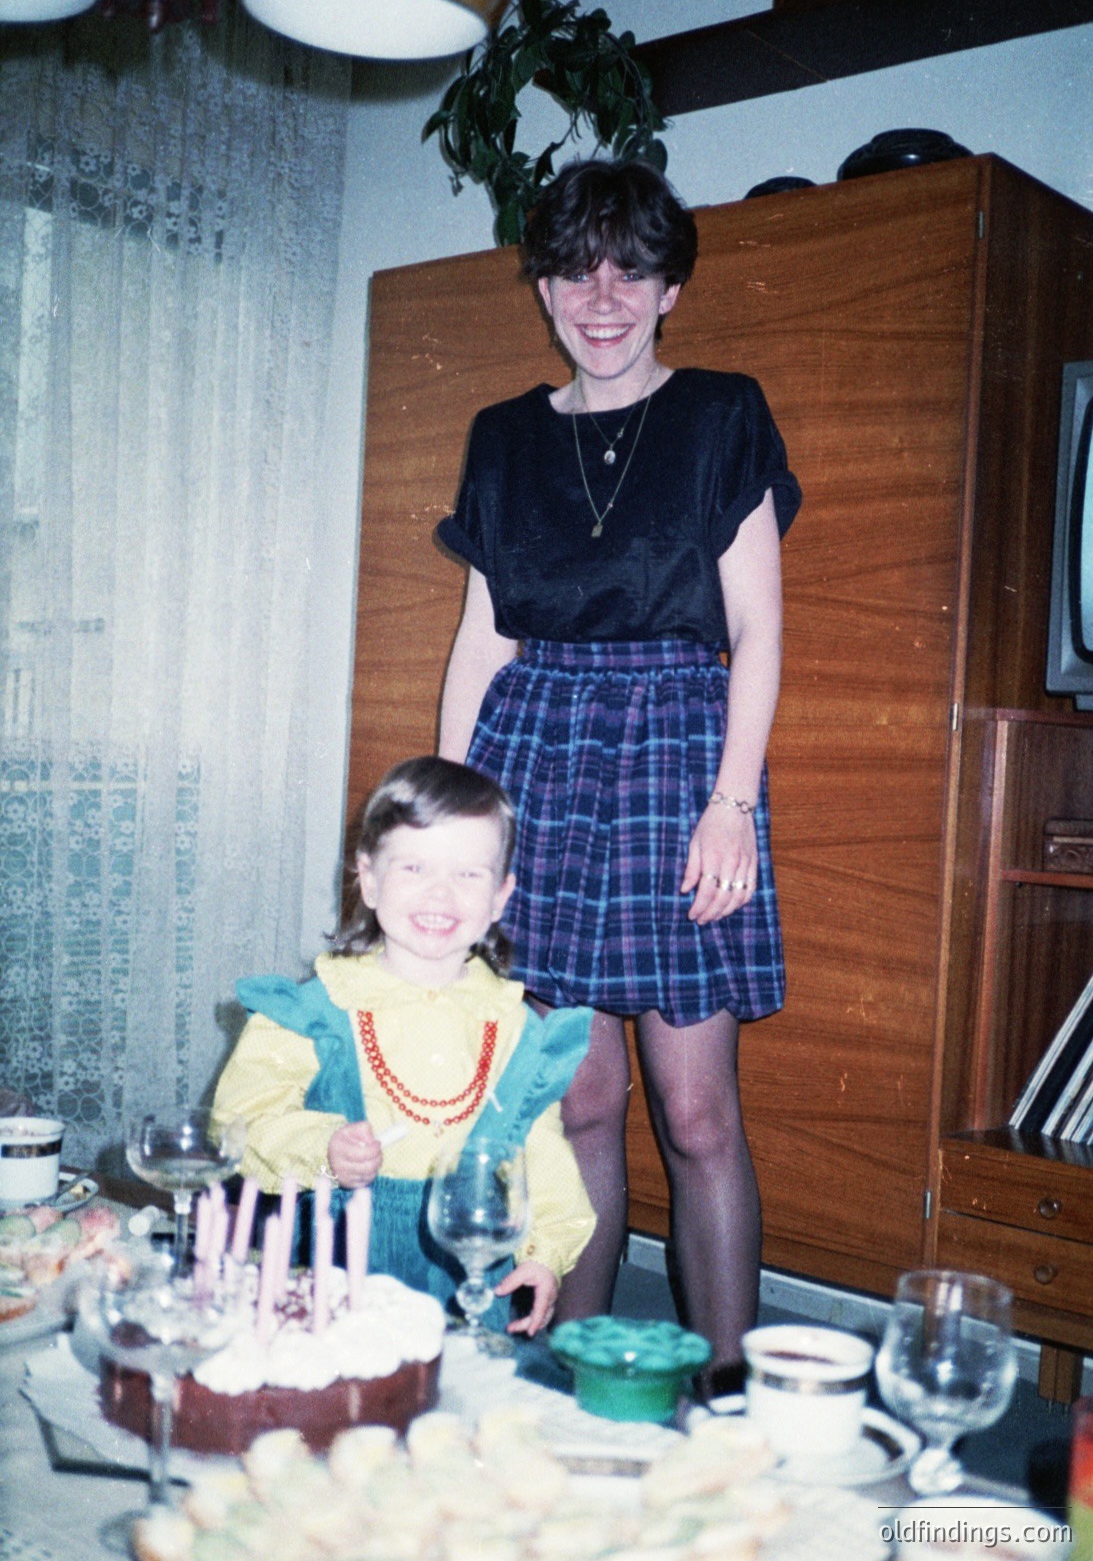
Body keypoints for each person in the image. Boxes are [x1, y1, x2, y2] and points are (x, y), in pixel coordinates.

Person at [436, 157, 801, 1388]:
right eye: (574, 270)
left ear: (669, 288)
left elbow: (754, 629)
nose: (602, 296)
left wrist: (732, 803)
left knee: (694, 1113)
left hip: (677, 759)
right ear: (541, 287)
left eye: (630, 268)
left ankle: (730, 1390)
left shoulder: (719, 412)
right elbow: (483, 640)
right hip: (535, 753)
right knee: (576, 1108)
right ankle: (580, 1379)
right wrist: (447, 827)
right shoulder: (500, 439)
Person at [212, 756, 595, 1337]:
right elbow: (239, 1121)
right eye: (414, 867)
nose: (441, 894)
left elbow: (538, 1148)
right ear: (367, 879)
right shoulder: (317, 1009)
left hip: (467, 1268)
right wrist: (323, 1144)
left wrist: (546, 1251)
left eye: (470, 874)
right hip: (337, 1264)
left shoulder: (515, 1028)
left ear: (500, 896)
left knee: (453, 1407)